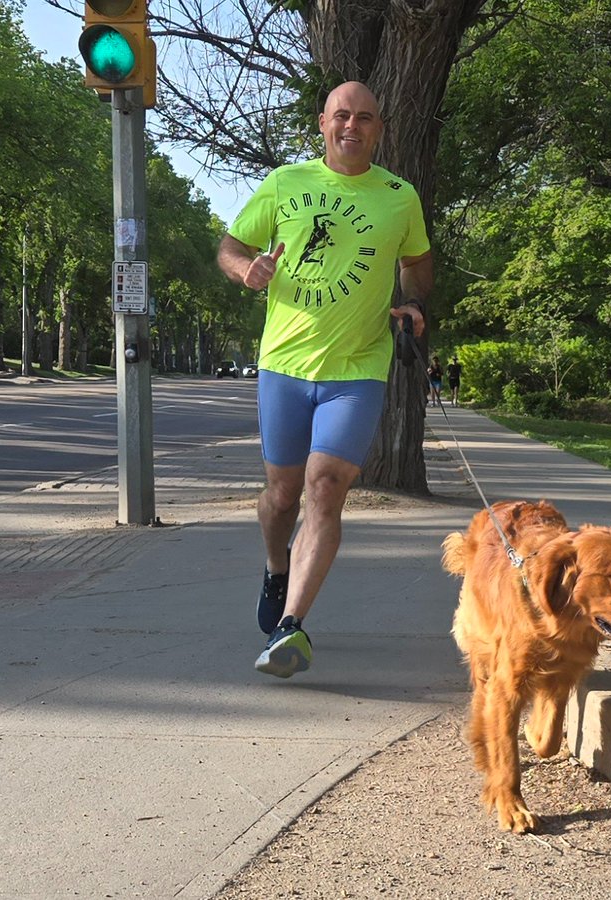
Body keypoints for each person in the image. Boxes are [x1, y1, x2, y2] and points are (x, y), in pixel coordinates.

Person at [217, 81, 433, 678]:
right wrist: (246, 270)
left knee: (325, 485)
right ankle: (275, 566)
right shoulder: (287, 183)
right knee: (282, 495)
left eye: (365, 118)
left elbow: (415, 260)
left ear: (379, 129)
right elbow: (230, 245)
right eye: (343, 116)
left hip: (358, 368)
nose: (352, 127)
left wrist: (414, 303)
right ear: (323, 123)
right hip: (283, 365)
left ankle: (291, 626)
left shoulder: (399, 196)